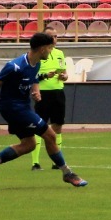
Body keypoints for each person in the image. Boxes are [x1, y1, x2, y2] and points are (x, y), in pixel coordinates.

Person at [0, 31, 87, 189]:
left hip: (22, 105)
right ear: (42, 49)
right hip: (12, 107)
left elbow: (34, 79)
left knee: (29, 144)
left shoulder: (37, 63)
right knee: (50, 135)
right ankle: (67, 173)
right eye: (49, 48)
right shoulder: (15, 66)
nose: (51, 51)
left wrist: (36, 91)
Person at [30, 40, 68, 170]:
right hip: (42, 94)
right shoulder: (38, 55)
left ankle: (56, 163)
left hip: (58, 93)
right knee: (39, 126)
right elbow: (32, 76)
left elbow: (64, 72)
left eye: (57, 36)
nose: (55, 39)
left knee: (57, 126)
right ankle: (35, 163)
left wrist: (64, 76)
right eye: (52, 36)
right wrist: (45, 75)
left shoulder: (60, 53)